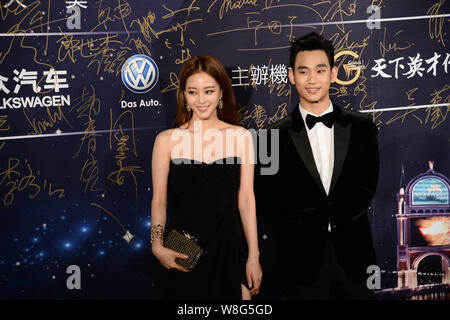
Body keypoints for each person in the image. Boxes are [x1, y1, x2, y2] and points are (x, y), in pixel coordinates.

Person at [255, 32, 380, 299]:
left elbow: (369, 185)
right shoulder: (268, 137)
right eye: (303, 72)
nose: (312, 80)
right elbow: (266, 201)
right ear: (291, 76)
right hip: (300, 262)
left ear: (333, 73)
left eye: (320, 70)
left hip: (356, 257)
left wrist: (344, 218)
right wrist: (300, 229)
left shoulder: (362, 126)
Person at [150, 55, 262, 300]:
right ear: (184, 95)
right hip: (184, 246)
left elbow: (246, 199)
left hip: (230, 245)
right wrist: (157, 245)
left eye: (209, 91)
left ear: (221, 92)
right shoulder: (166, 140)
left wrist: (253, 255)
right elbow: (159, 201)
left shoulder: (241, 137)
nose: (201, 100)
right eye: (193, 92)